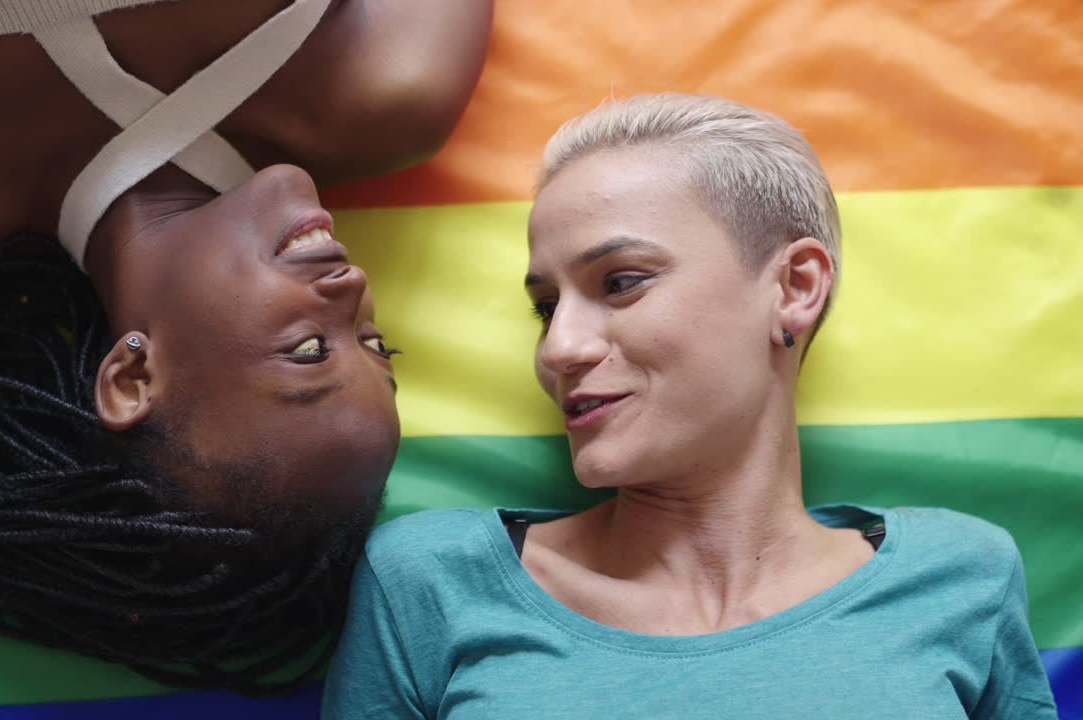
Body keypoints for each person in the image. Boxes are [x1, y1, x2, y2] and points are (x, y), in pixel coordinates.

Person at [0, 0, 490, 696]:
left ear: (132, 376)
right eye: (378, 345)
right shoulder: (393, 91)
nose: (353, 288)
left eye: (311, 349)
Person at [322, 93, 1059, 718]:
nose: (558, 350)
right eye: (546, 308)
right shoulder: (431, 582)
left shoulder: (962, 575)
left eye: (620, 282)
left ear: (795, 287)